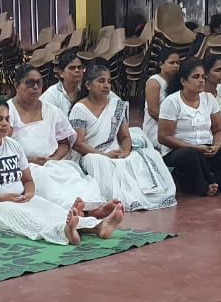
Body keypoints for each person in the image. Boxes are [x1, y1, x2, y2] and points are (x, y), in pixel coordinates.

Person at [0, 98, 125, 245]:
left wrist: (29, 194)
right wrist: (1, 197)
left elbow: (28, 180)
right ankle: (66, 231)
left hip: (19, 198)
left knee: (52, 210)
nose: (5, 124)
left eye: (7, 119)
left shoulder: (14, 146)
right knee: (31, 218)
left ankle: (97, 227)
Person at [70, 65, 177, 211]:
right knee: (99, 162)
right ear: (88, 85)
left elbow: (125, 136)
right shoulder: (80, 109)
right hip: (90, 154)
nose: (106, 85)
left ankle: (145, 196)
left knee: (149, 155)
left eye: (109, 81)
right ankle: (117, 200)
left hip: (115, 152)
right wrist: (103, 154)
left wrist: (125, 151)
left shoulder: (116, 106)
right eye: (101, 81)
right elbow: (78, 144)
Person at [9, 65, 112, 213]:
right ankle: (75, 211)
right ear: (17, 85)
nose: (36, 87)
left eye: (39, 83)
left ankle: (91, 207)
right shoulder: (7, 111)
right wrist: (30, 160)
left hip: (50, 162)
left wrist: (53, 159)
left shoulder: (50, 110)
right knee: (45, 179)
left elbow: (64, 143)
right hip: (22, 166)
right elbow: (1, 147)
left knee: (71, 176)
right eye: (30, 83)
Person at [158, 57, 221, 196]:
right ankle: (203, 187)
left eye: (203, 77)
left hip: (207, 149)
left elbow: (218, 130)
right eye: (196, 77)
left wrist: (217, 145)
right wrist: (194, 147)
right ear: (183, 81)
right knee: (191, 154)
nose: (201, 81)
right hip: (181, 151)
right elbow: (163, 137)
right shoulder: (172, 102)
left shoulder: (209, 99)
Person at [143, 51, 181, 150]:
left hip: (174, 125)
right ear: (161, 64)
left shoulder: (178, 82)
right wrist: (172, 124)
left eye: (178, 63)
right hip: (156, 128)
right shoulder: (154, 81)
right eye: (171, 63)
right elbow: (153, 111)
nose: (176, 66)